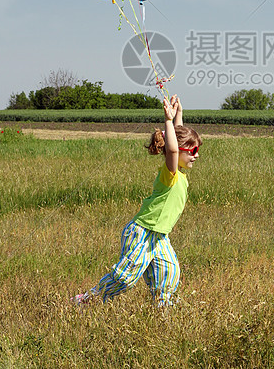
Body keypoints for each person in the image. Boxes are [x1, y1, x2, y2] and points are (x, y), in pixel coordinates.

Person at [72, 94, 201, 308]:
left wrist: (178, 115)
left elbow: (176, 140)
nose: (196, 155)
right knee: (125, 278)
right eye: (193, 151)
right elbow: (173, 148)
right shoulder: (170, 173)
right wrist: (168, 121)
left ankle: (162, 312)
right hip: (142, 232)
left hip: (159, 236)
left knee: (169, 273)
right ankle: (85, 301)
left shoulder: (179, 170)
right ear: (179, 152)